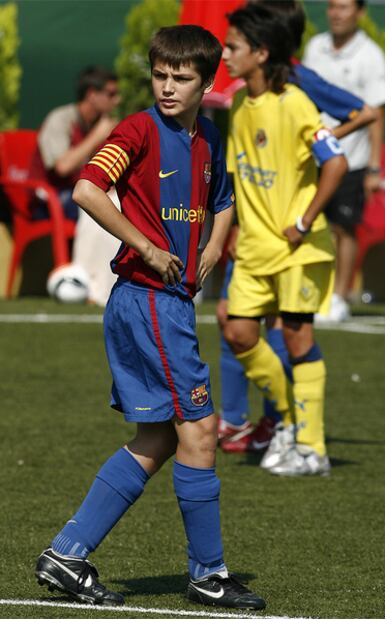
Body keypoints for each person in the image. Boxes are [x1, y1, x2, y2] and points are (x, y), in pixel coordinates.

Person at [34, 25, 265, 611]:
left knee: (161, 437)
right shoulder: (137, 129)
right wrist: (147, 245)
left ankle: (68, 553)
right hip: (147, 301)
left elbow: (224, 199)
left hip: (171, 305)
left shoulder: (210, 138)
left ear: (205, 83)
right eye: (160, 75)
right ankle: (208, 574)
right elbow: (88, 190)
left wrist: (212, 249)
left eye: (180, 78)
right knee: (202, 432)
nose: (166, 87)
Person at [217, 0, 377, 455]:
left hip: (291, 240)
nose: (225, 55)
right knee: (236, 325)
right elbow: (240, 173)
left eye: (233, 46)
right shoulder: (242, 103)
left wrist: (307, 156)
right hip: (252, 238)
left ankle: (292, 432)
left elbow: (359, 120)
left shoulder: (298, 91)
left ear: (264, 49)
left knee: (291, 332)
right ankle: (272, 418)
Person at [303, 0, 385, 321]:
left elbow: (377, 114)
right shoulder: (315, 47)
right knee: (311, 224)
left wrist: (374, 166)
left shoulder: (371, 57)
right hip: (311, 156)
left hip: (351, 160)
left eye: (343, 7)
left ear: (360, 13)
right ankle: (311, 291)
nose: (336, 13)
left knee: (344, 228)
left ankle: (339, 297)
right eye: (332, 7)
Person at [30, 66, 122, 306]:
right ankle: (84, 285)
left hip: (80, 193)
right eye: (111, 94)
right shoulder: (60, 119)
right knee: (94, 202)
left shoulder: (104, 124)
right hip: (49, 196)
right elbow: (62, 167)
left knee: (118, 203)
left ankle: (109, 288)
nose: (117, 100)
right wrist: (98, 136)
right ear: (92, 94)